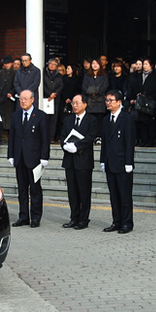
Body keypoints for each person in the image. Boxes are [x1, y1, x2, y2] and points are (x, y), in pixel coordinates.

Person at [8, 89, 49, 228]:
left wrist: (44, 156)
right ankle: (23, 216)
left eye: (25, 99)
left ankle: (36, 217)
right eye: (21, 99)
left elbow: (45, 138)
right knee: (22, 189)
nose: (23, 101)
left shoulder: (40, 116)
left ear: (32, 99)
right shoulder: (15, 115)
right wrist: (11, 155)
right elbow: (12, 137)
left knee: (35, 189)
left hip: (34, 158)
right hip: (19, 158)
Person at [60, 94, 98, 230]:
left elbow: (90, 137)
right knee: (72, 192)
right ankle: (74, 217)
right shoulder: (68, 119)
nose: (74, 106)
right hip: (70, 161)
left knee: (84, 191)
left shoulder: (91, 120)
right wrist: (65, 145)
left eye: (77, 103)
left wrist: (77, 146)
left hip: (84, 161)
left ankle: (84, 219)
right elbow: (63, 135)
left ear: (85, 104)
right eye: (73, 103)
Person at [100, 89, 136, 233]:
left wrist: (129, 162)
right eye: (107, 100)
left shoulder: (127, 119)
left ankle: (127, 222)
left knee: (124, 195)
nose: (108, 103)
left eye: (111, 100)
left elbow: (129, 142)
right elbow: (104, 142)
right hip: (110, 162)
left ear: (119, 102)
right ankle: (116, 221)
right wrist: (103, 160)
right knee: (114, 195)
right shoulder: (106, 119)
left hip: (122, 163)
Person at [81, 57, 108, 140]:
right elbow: (84, 87)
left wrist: (94, 90)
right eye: (93, 64)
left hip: (99, 101)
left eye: (97, 63)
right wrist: (93, 90)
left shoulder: (104, 75)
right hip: (90, 101)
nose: (95, 65)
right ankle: (90, 137)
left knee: (99, 120)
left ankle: (99, 137)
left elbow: (104, 88)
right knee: (90, 120)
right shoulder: (87, 76)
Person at [43, 58, 64, 142]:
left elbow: (61, 86)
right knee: (45, 118)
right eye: (50, 64)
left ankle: (51, 137)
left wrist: (55, 93)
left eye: (54, 64)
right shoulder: (44, 74)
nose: (52, 65)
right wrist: (49, 94)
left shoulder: (59, 75)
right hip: (46, 98)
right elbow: (42, 85)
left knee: (53, 120)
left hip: (55, 99)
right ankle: (44, 137)